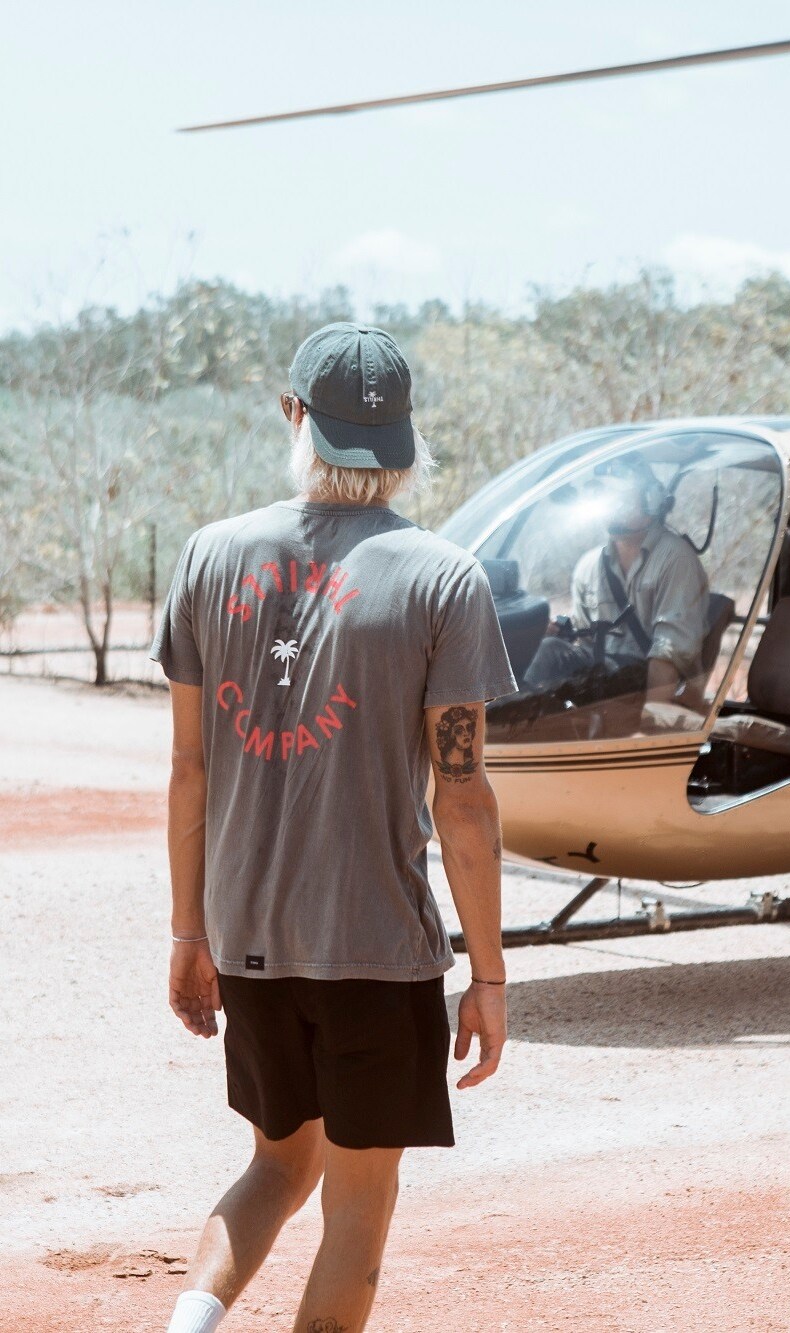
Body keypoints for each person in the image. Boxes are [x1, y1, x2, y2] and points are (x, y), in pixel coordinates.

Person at [151, 322, 517, 1333]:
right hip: (377, 951)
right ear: (404, 440)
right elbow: (464, 798)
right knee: (358, 1208)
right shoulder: (444, 577)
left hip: (250, 935)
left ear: (294, 419)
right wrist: (487, 976)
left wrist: (191, 934)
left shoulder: (208, 556)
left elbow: (188, 768)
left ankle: (187, 1327)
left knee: (276, 1164)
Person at [523, 455, 709, 702]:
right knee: (548, 650)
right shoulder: (590, 566)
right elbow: (585, 641)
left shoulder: (675, 559)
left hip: (645, 683)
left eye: (620, 498)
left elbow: (669, 652)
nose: (612, 508)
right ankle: (511, 725)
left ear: (650, 501)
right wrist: (556, 633)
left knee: (567, 660)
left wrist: (651, 720)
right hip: (601, 679)